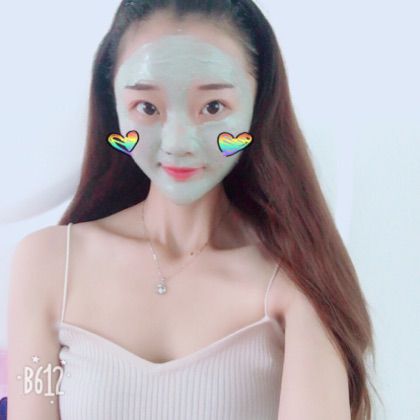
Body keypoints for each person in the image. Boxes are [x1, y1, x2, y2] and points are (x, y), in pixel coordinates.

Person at [7, 1, 379, 419]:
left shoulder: (297, 280)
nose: (178, 142)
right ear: (114, 105)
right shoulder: (48, 264)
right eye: (147, 108)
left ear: (258, 105)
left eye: (213, 107)